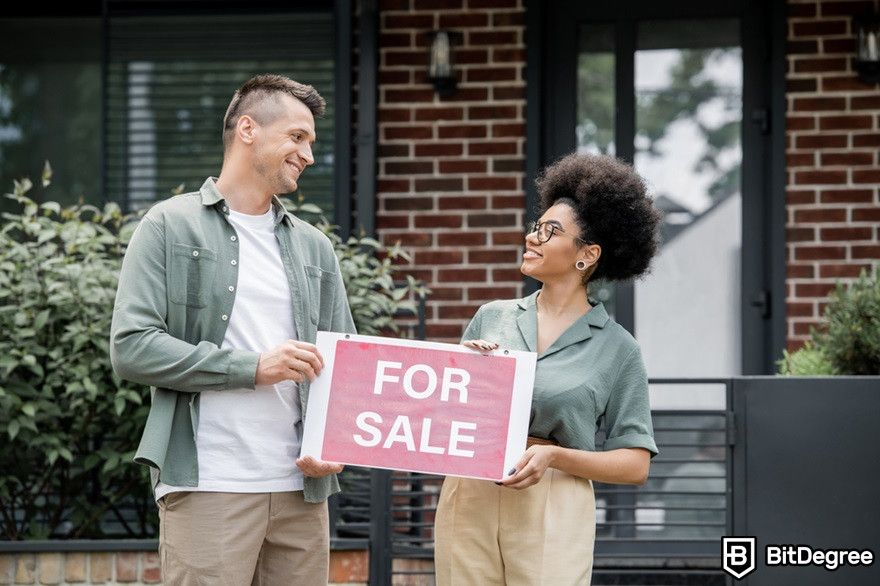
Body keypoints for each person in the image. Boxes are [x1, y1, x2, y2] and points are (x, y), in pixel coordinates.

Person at [110, 74, 356, 585]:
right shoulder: (169, 226)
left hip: (302, 493)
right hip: (210, 486)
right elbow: (132, 348)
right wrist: (252, 368)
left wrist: (337, 443)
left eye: (311, 141)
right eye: (297, 137)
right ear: (248, 129)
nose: (308, 154)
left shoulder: (315, 248)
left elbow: (347, 366)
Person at [433, 153, 662, 585]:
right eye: (536, 226)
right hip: (471, 491)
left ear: (587, 254)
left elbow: (635, 464)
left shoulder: (618, 349)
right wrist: (461, 370)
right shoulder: (491, 317)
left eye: (550, 231)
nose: (531, 236)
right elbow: (446, 415)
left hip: (554, 499)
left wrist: (554, 455)